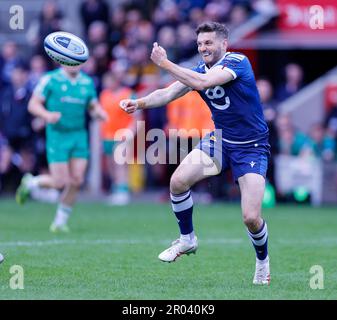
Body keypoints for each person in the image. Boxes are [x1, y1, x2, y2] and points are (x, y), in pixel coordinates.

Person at [120, 22, 271, 285]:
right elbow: (168, 93)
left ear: (224, 43)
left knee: (251, 217)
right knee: (178, 181)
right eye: (200, 44)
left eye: (209, 43)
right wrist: (140, 102)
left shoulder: (238, 61)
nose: (203, 48)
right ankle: (187, 240)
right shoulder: (199, 69)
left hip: (252, 146)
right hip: (221, 140)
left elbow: (202, 82)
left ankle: (262, 263)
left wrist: (165, 64)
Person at [15, 64, 107, 232]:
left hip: (79, 135)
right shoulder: (50, 79)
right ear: (62, 60)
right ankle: (31, 182)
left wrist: (99, 113)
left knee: (77, 179)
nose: (75, 63)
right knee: (60, 182)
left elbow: (92, 106)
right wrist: (47, 115)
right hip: (58, 136)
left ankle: (59, 222)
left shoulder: (87, 81)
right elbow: (33, 105)